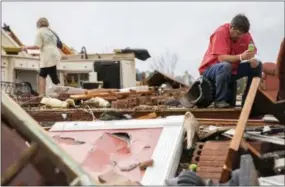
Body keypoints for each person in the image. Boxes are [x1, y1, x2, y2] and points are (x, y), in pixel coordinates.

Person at [198, 14, 262, 108]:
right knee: (225, 65)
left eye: (242, 35)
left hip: (232, 70)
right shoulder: (220, 33)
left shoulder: (246, 36)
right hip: (212, 70)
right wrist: (241, 57)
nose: (240, 37)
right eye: (238, 33)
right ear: (231, 27)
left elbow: (252, 50)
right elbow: (221, 58)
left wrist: (252, 58)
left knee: (257, 66)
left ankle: (249, 101)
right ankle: (220, 101)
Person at [21, 17, 61, 96]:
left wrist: (26, 47)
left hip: (47, 55)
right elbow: (50, 46)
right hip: (55, 54)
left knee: (42, 75)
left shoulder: (40, 32)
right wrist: (33, 53)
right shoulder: (52, 32)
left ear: (38, 25)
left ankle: (42, 95)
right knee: (51, 75)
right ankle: (59, 92)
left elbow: (37, 46)